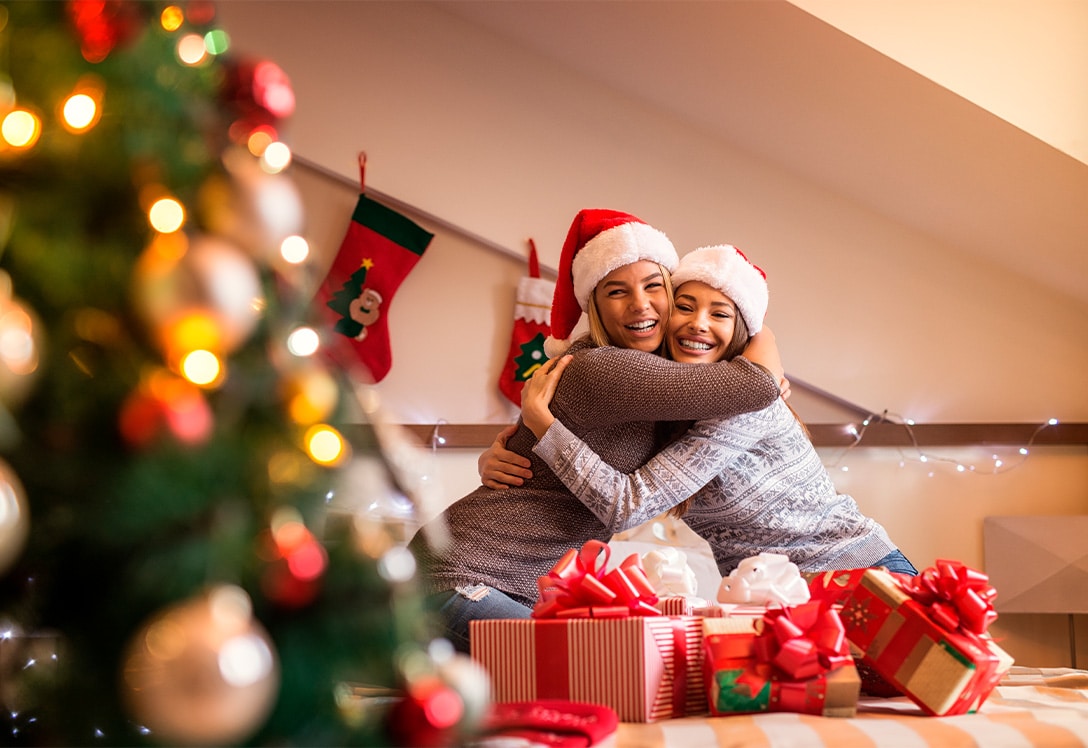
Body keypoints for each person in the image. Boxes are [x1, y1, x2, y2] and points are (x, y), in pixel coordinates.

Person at [408, 210, 785, 653]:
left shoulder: (647, 374)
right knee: (601, 668)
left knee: (599, 671)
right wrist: (765, 336)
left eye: (652, 286)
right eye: (616, 292)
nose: (640, 305)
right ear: (595, 307)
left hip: (494, 581)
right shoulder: (605, 369)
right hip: (458, 578)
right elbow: (758, 385)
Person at [508, 244, 918, 577]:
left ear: (740, 331)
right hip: (776, 593)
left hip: (855, 573)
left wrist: (545, 428)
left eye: (719, 314)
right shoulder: (666, 403)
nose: (699, 324)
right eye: (685, 307)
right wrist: (503, 449)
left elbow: (627, 505)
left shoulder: (741, 405)